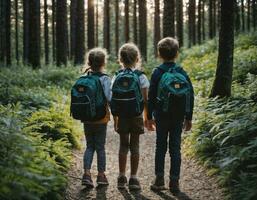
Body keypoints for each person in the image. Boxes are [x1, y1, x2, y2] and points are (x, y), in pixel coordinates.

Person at [147, 37, 194, 194]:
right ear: (177, 54)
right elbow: (190, 94)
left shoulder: (157, 72)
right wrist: (189, 117)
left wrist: (149, 117)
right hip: (178, 116)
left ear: (159, 54)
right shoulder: (182, 72)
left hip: (161, 115)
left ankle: (159, 180)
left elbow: (151, 96)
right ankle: (174, 182)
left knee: (160, 146)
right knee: (175, 148)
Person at [111, 43, 150, 190]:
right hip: (136, 115)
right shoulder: (141, 76)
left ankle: (121, 177)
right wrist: (147, 118)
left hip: (121, 116)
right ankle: (133, 179)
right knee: (135, 146)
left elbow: (112, 98)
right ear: (137, 58)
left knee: (122, 145)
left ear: (120, 59)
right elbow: (145, 100)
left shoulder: (116, 76)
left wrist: (115, 120)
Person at [81, 48, 112, 188]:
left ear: (89, 62)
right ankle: (101, 175)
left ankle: (86, 174)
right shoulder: (105, 78)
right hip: (101, 119)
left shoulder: (84, 78)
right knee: (100, 147)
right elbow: (109, 97)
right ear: (103, 63)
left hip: (87, 118)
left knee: (89, 146)